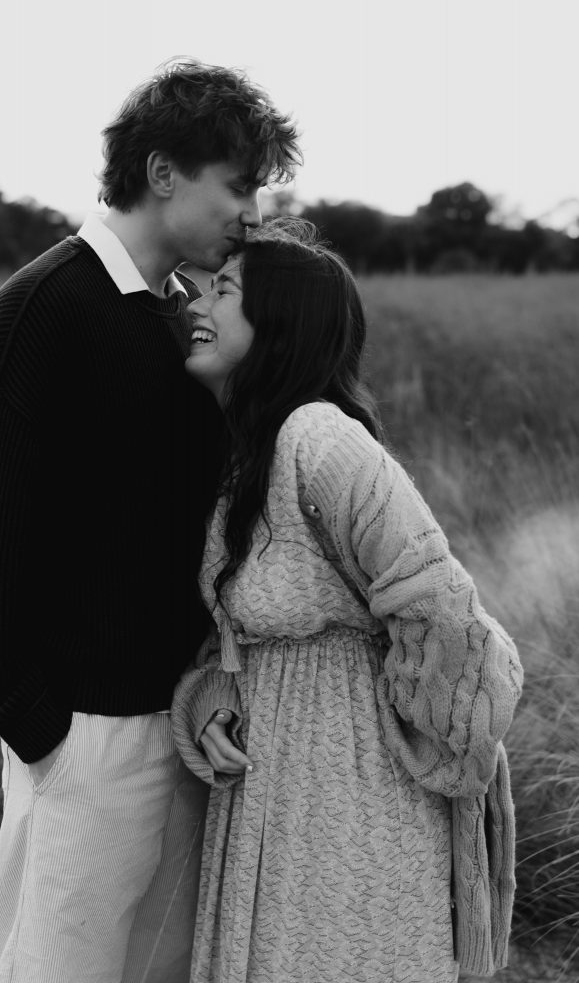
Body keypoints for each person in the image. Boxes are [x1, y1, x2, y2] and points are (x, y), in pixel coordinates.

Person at [0, 62, 301, 983]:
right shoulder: (45, 308)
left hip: (176, 721)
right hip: (86, 734)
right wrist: (34, 723)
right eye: (238, 184)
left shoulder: (173, 319)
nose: (251, 212)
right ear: (163, 173)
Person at [170, 218, 524, 983]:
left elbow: (439, 606)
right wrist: (219, 700)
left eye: (224, 290)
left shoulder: (321, 439)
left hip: (351, 798)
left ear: (280, 322)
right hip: (272, 791)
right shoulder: (246, 457)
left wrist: (399, 732)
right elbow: (248, 633)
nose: (197, 302)